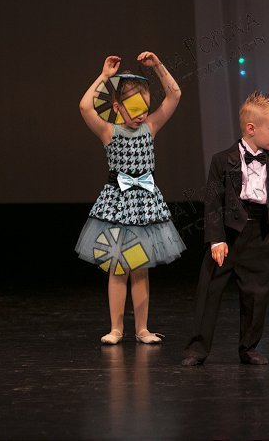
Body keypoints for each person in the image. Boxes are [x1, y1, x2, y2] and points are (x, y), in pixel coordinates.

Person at [76, 52, 185, 345]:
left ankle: (142, 329)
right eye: (134, 109)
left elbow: (174, 94)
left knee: (139, 268)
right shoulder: (108, 131)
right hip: (117, 205)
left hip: (144, 206)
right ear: (116, 107)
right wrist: (104, 77)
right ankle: (116, 329)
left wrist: (158, 66)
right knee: (117, 266)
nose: (140, 116)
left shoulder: (150, 127)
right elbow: (85, 106)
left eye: (144, 109)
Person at [182, 91, 269, 366]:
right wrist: (216, 239)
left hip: (260, 233)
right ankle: (197, 349)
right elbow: (213, 201)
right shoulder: (223, 160)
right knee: (209, 290)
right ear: (251, 128)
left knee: (256, 294)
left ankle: (248, 347)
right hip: (229, 233)